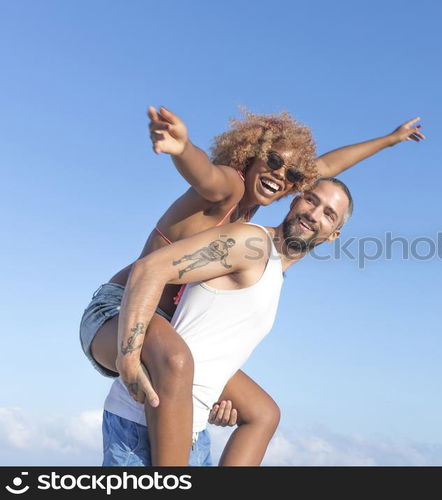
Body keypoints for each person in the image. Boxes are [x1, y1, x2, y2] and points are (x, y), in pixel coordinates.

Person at [80, 106, 424, 465]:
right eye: (272, 161)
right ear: (250, 154)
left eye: (291, 173)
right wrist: (183, 149)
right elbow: (206, 175)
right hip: (120, 307)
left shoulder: (260, 216)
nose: (279, 174)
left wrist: (389, 140)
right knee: (176, 361)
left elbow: (327, 167)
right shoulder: (231, 189)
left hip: (165, 321)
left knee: (262, 411)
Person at [101, 177, 353, 465]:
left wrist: (217, 394)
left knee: (264, 413)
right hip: (143, 426)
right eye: (311, 199)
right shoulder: (250, 242)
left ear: (334, 234)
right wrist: (128, 357)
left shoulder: (274, 271)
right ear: (295, 200)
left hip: (193, 431)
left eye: (328, 214)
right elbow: (150, 267)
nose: (314, 214)